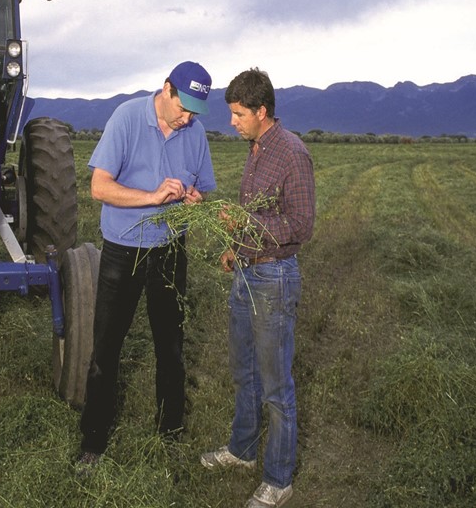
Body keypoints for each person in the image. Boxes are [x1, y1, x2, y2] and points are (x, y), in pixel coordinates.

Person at [75, 60, 217, 473]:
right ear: (167, 88)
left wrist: (193, 198)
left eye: (195, 110)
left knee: (170, 345)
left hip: (171, 250)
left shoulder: (196, 133)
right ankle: (93, 442)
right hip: (123, 249)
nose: (187, 116)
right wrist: (152, 197)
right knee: (106, 347)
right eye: (183, 106)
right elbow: (99, 187)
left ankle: (169, 433)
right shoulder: (128, 118)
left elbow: (203, 190)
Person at [199, 67, 315, 508]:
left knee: (275, 385)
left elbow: (301, 225)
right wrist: (236, 247)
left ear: (261, 111)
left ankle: (279, 479)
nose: (232, 121)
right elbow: (258, 218)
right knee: (243, 371)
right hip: (247, 272)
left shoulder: (292, 154)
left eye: (238, 113)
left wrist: (246, 226)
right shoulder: (257, 148)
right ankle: (243, 451)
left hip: (274, 278)